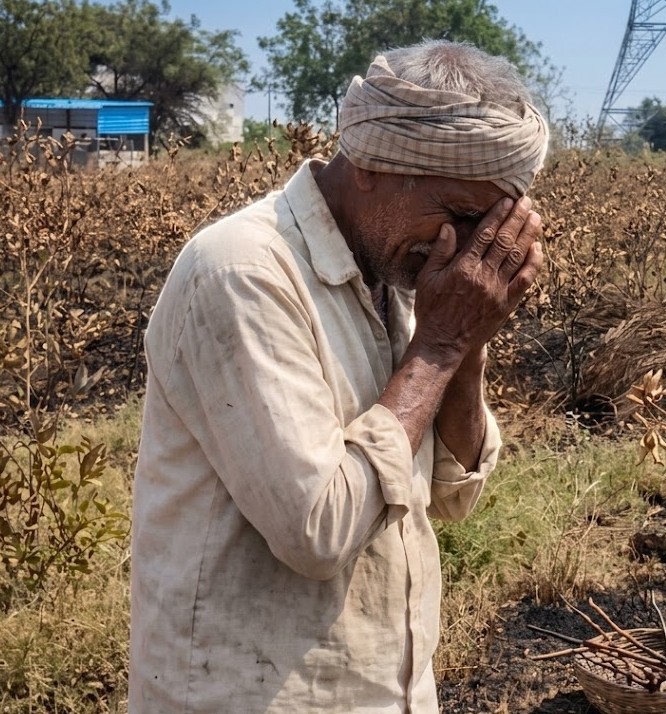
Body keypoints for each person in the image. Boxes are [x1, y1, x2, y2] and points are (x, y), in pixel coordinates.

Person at [129, 39, 549, 713]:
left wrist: (465, 342)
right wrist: (438, 346)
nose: (469, 250)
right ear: (373, 167)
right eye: (461, 216)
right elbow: (317, 530)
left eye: (491, 226)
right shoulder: (242, 271)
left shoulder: (406, 279)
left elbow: (451, 493)